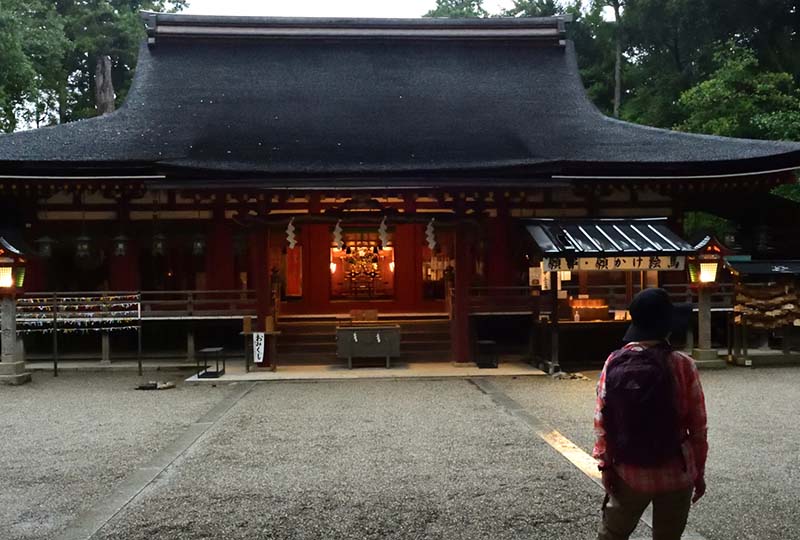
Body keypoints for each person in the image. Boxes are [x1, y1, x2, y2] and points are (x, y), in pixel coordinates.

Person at [593, 288, 708, 540]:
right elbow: (698, 427)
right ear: (667, 326)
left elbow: (602, 420)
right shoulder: (683, 365)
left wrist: (606, 466)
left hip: (628, 470)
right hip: (676, 469)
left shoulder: (614, 361)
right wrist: (698, 471)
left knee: (613, 534)